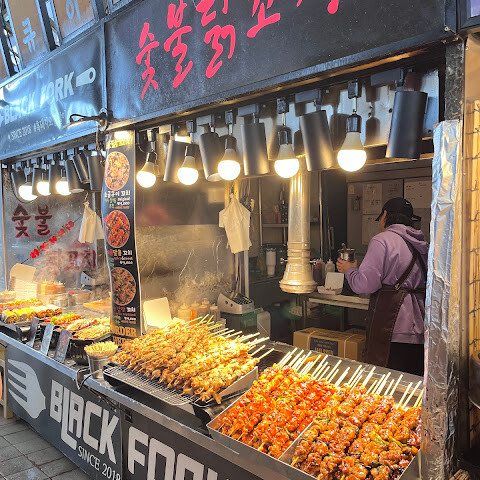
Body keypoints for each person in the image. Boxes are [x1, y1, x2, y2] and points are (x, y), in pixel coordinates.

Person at [336, 198, 428, 376]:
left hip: (393, 328)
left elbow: (365, 285)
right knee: (411, 385)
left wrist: (350, 270)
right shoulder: (422, 244)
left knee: (387, 384)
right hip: (420, 329)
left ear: (385, 216)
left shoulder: (382, 240)